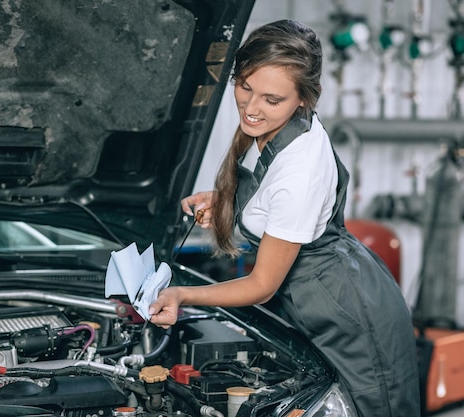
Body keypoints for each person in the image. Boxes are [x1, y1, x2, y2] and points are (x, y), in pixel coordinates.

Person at [148, 19, 421, 417]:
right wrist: (226, 199)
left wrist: (181, 294)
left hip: (351, 317)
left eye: (271, 100)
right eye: (245, 86)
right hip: (315, 301)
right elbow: (267, 185)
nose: (252, 107)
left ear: (304, 100)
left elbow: (261, 285)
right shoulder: (276, 129)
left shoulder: (301, 169)